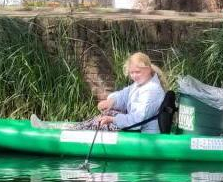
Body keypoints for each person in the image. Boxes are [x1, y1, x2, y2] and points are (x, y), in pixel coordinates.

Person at [32, 52, 166, 133]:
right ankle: (64, 127)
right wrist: (111, 101)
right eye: (132, 73)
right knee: (106, 114)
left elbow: (138, 119)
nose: (135, 76)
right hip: (135, 126)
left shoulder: (151, 90)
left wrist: (112, 119)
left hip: (143, 131)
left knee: (102, 121)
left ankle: (59, 130)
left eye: (138, 72)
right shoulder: (141, 84)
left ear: (148, 69)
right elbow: (124, 95)